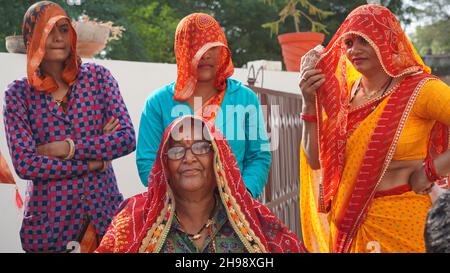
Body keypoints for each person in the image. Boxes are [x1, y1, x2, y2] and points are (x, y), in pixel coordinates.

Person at [299, 4, 450, 253]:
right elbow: (315, 160)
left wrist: (431, 172)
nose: (354, 50)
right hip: (348, 230)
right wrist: (309, 103)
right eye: (348, 43)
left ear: (387, 40)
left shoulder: (420, 90)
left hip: (402, 224)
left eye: (364, 41)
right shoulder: (344, 95)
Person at [2, 1, 136, 252]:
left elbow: (126, 139)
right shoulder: (18, 94)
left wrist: (66, 147)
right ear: (31, 37)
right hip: (50, 226)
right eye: (47, 30)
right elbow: (26, 163)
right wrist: (94, 160)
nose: (57, 38)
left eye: (63, 29)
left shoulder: (98, 78)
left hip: (104, 217)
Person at [97, 116, 306, 253]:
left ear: (218, 158)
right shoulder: (134, 217)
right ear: (165, 163)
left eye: (200, 147)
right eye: (177, 150)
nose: (188, 158)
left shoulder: (254, 219)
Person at [136, 13, 271, 198]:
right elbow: (147, 161)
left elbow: (259, 156)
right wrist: (182, 203)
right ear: (182, 49)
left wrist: (243, 196)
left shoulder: (245, 99)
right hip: (177, 212)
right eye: (196, 46)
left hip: (235, 210)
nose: (205, 54)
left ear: (222, 49)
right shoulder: (158, 103)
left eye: (212, 46)